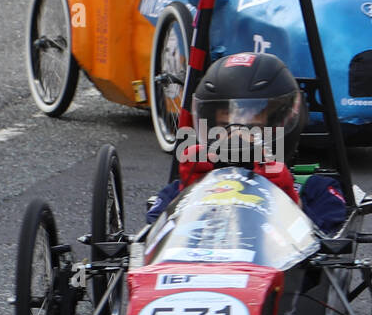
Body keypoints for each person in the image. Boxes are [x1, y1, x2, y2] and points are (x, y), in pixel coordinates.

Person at [146, 52, 348, 235]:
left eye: (250, 128)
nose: (236, 137)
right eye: (225, 126)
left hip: (278, 270)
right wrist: (187, 193)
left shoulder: (315, 189)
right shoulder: (178, 188)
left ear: (279, 127)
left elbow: (329, 236)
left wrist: (289, 199)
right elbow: (151, 234)